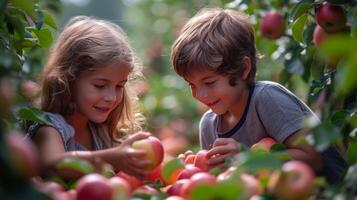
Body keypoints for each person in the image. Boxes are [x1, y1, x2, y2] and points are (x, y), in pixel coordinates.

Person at [171, 8, 346, 183]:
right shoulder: (209, 126)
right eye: (191, 84)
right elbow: (223, 182)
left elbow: (313, 158)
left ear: (243, 69)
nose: (199, 94)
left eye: (209, 83)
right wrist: (196, 168)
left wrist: (248, 157)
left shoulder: (267, 99)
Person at [26, 16, 152, 180]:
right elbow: (52, 165)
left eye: (119, 86)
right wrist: (110, 159)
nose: (111, 97)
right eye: (100, 85)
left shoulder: (101, 132)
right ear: (68, 79)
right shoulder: (50, 127)